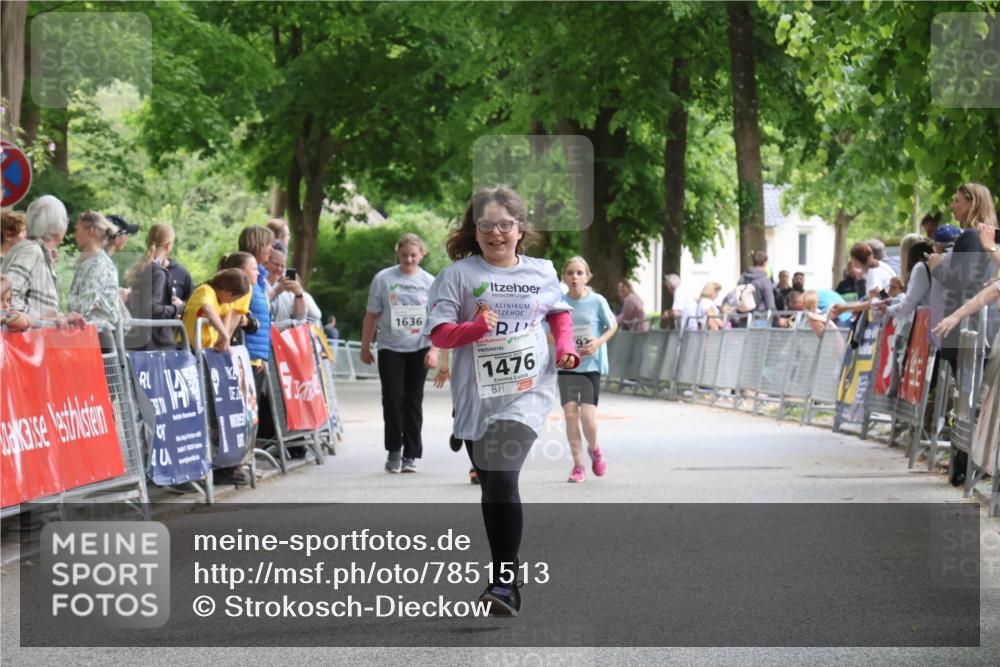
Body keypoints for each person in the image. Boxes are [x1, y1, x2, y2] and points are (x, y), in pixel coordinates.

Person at [425, 186, 579, 616]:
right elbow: (438, 333)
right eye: (486, 225)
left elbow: (558, 314)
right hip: (476, 396)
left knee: (504, 476)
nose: (497, 233)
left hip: (528, 393)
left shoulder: (542, 272)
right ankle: (503, 577)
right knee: (492, 484)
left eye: (505, 225)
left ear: (520, 229)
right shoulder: (456, 276)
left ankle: (505, 585)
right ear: (473, 231)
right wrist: (473, 329)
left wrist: (565, 347)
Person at [361, 232, 439, 474]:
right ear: (398, 253)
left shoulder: (430, 282)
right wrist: (365, 346)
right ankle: (394, 449)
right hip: (390, 346)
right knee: (393, 399)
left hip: (419, 346)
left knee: (413, 401)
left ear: (422, 254)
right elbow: (372, 314)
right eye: (404, 255)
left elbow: (438, 318)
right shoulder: (383, 279)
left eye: (413, 255)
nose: (408, 260)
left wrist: (435, 349)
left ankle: (411, 455)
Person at [558, 256, 617, 483]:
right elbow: (546, 328)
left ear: (587, 276)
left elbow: (612, 325)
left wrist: (598, 342)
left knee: (587, 415)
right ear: (564, 277)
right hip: (567, 366)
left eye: (579, 273)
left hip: (590, 366)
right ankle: (578, 465)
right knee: (571, 415)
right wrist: (563, 343)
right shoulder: (559, 303)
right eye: (570, 272)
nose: (575, 277)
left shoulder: (597, 301)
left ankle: (595, 449)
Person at [2, 195, 83, 327]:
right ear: (58, 225)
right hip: (22, 344)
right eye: (66, 221)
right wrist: (40, 318)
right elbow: (7, 298)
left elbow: (39, 307)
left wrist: (60, 317)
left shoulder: (38, 252)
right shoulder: (31, 251)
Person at [125, 223, 184, 350]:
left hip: (138, 340)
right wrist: (176, 308)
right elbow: (151, 308)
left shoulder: (138, 269)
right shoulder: (158, 273)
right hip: (158, 343)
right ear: (168, 246)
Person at [68, 211, 127, 326]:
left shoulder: (99, 264)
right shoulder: (89, 262)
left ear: (90, 231)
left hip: (99, 335)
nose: (74, 235)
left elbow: (84, 305)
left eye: (77, 230)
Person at [182, 268, 251, 353]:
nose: (234, 302)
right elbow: (207, 309)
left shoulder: (221, 301)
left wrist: (223, 340)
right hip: (188, 348)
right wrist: (225, 335)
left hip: (204, 349)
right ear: (228, 293)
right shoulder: (205, 290)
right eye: (236, 298)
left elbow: (231, 314)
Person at [264, 247, 321, 325]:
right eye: (276, 264)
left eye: (283, 266)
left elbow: (299, 318)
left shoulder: (286, 288)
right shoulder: (259, 283)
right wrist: (277, 291)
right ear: (266, 263)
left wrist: (299, 295)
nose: (279, 269)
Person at [737, 250, 777, 318]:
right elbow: (770, 305)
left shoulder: (743, 277)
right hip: (760, 318)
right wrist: (777, 318)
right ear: (765, 263)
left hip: (743, 317)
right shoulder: (764, 280)